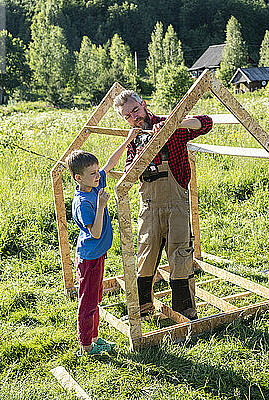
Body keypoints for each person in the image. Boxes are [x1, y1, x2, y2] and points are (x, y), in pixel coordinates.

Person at [113, 90, 213, 320]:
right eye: (127, 116)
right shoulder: (134, 138)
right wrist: (138, 157)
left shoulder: (168, 125)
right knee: (145, 255)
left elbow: (206, 123)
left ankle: (185, 313)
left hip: (175, 201)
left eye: (135, 110)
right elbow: (129, 171)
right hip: (148, 204)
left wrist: (173, 125)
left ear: (144, 104)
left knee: (179, 254)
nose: (134, 118)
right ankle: (143, 309)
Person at [66, 128, 138, 355]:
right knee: (88, 302)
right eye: (93, 174)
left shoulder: (94, 184)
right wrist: (101, 206)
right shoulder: (84, 203)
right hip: (89, 258)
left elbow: (110, 163)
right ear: (78, 178)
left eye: (97, 172)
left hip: (98, 254)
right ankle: (86, 346)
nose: (99, 176)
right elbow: (95, 232)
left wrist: (128, 141)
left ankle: (94, 339)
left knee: (96, 297)